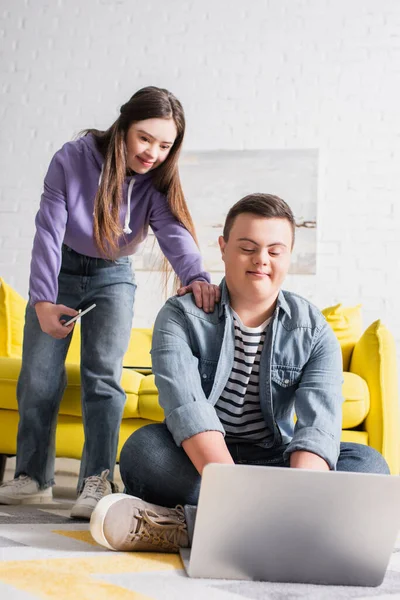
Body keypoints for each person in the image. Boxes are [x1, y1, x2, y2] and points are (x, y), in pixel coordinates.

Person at [89, 192, 390, 553]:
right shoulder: (180, 316)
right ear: (224, 247)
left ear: (288, 255)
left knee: (368, 465)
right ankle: (293, 530)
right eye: (248, 247)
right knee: (144, 451)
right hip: (202, 460)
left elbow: (317, 427)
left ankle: (188, 528)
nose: (261, 260)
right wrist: (235, 488)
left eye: (275, 251)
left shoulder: (313, 328)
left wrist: (300, 492)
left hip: (276, 462)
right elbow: (189, 413)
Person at [0, 86, 220, 519]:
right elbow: (48, 229)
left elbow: (172, 231)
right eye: (145, 138)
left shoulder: (156, 180)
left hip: (113, 275)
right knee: (38, 378)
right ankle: (33, 478)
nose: (153, 152)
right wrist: (43, 300)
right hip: (60, 271)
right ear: (123, 126)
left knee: (103, 378)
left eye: (164, 144)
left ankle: (96, 481)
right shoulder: (72, 158)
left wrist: (197, 276)